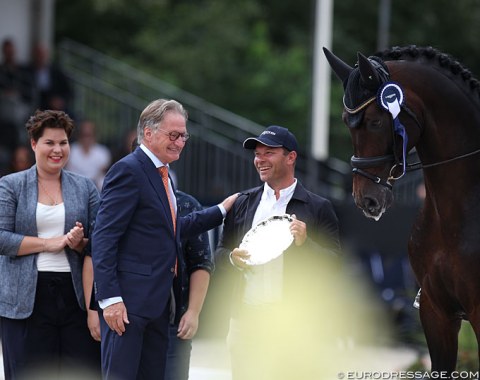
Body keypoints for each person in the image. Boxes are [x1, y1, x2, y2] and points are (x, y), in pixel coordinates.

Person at [91, 98, 238, 380]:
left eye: (184, 135)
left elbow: (169, 229)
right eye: (174, 135)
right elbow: (104, 237)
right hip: (126, 306)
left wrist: (220, 210)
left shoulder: (164, 174)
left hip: (159, 303)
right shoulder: (128, 170)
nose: (180, 142)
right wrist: (109, 299)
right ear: (148, 133)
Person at [215, 125, 341, 380]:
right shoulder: (242, 203)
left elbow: (334, 265)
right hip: (245, 320)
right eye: (257, 154)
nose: (260, 160)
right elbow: (220, 253)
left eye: (269, 153)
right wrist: (231, 259)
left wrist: (306, 243)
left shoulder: (318, 207)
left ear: (291, 157)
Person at [0, 109, 101, 380]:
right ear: (34, 144)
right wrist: (50, 243)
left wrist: (78, 243)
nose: (57, 150)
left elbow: (102, 242)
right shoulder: (11, 185)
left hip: (76, 296)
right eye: (50, 142)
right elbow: (1, 238)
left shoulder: (86, 187)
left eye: (63, 143)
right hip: (25, 298)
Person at [164, 190, 213, 380]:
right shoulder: (123, 199)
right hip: (129, 320)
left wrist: (193, 311)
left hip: (174, 321)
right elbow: (98, 254)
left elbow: (201, 262)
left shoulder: (186, 205)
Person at [66, 119, 112, 190]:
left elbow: (102, 172)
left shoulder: (102, 152)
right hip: (74, 184)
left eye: (89, 135)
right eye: (84, 135)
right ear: (79, 135)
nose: (86, 139)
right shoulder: (71, 150)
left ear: (94, 135)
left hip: (96, 185)